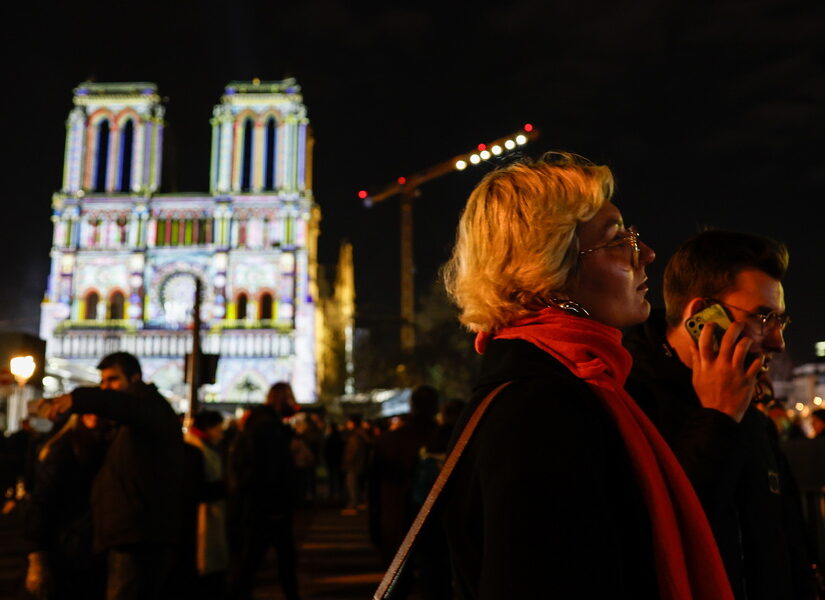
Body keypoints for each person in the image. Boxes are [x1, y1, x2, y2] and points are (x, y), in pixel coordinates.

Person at [440, 152, 732, 598]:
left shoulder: (584, 385)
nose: (647, 253)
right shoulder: (539, 410)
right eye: (618, 240)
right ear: (549, 267)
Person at [623, 230, 816, 599]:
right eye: (763, 317)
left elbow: (785, 540)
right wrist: (717, 419)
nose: (778, 341)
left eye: (780, 320)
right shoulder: (628, 400)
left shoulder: (752, 411)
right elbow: (659, 539)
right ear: (702, 316)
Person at [38, 351, 185, 600]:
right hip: (126, 533)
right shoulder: (127, 421)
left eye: (113, 380)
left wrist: (79, 398)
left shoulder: (147, 405)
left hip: (138, 535)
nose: (106, 388)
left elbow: (123, 406)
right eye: (103, 382)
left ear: (135, 378)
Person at [227, 381, 301, 600]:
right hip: (268, 506)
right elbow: (268, 469)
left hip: (261, 503)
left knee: (257, 558)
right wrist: (274, 505)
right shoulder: (269, 427)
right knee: (262, 558)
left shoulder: (262, 424)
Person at [23, 413, 109, 599]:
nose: (95, 418)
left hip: (79, 539)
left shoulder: (99, 443)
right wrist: (36, 550)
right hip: (68, 541)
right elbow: (44, 498)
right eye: (88, 413)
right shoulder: (67, 448)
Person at [185, 410, 230, 598]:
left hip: (210, 513)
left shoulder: (202, 446)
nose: (221, 434)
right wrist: (225, 488)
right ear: (208, 428)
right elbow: (197, 487)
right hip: (202, 515)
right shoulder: (195, 449)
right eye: (218, 430)